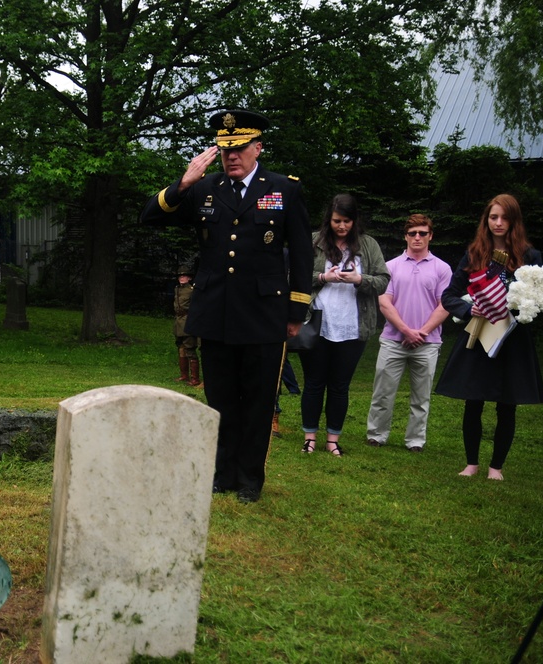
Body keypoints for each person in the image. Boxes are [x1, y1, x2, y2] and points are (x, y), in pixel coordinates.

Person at [140, 109, 313, 503]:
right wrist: (182, 183)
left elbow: (302, 255)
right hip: (215, 311)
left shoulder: (284, 189)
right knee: (220, 399)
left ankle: (250, 479)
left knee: (256, 400)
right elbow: (149, 217)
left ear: (258, 147)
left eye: (238, 149)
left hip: (263, 314)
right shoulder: (205, 189)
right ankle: (221, 473)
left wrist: (295, 312)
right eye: (224, 150)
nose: (231, 157)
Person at [435, 194, 543, 480]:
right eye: (493, 217)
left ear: (514, 221)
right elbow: (448, 295)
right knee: (474, 400)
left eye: (504, 218)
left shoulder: (530, 257)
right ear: (486, 220)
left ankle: (496, 467)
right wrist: (467, 307)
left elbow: (539, 298)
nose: (498, 223)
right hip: (481, 336)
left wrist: (524, 307)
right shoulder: (475, 254)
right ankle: (471, 463)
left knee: (506, 404)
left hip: (513, 340)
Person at [300, 194, 389, 457]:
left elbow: (383, 280)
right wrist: (322, 277)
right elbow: (294, 275)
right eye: (337, 221)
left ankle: (333, 440)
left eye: (347, 221)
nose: (342, 227)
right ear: (329, 219)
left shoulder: (368, 244)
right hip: (316, 323)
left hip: (354, 326)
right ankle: (309, 438)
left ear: (354, 220)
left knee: (340, 385)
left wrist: (359, 279)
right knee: (314, 382)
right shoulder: (314, 241)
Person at [365, 215, 452, 452]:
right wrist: (405, 330)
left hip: (427, 342)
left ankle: (415, 441)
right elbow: (385, 302)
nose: (417, 237)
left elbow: (444, 305)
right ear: (405, 236)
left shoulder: (442, 268)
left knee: (421, 398)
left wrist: (421, 333)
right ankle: (376, 435)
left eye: (422, 233)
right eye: (412, 233)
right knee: (383, 393)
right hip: (394, 340)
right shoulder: (390, 266)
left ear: (430, 236)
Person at [173, 264, 201, 386]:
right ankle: (184, 375)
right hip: (178, 322)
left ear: (189, 278)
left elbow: (196, 307)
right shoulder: (177, 289)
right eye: (180, 276)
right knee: (181, 348)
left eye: (184, 276)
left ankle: (195, 378)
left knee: (190, 349)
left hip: (188, 321)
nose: (182, 277)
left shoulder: (192, 290)